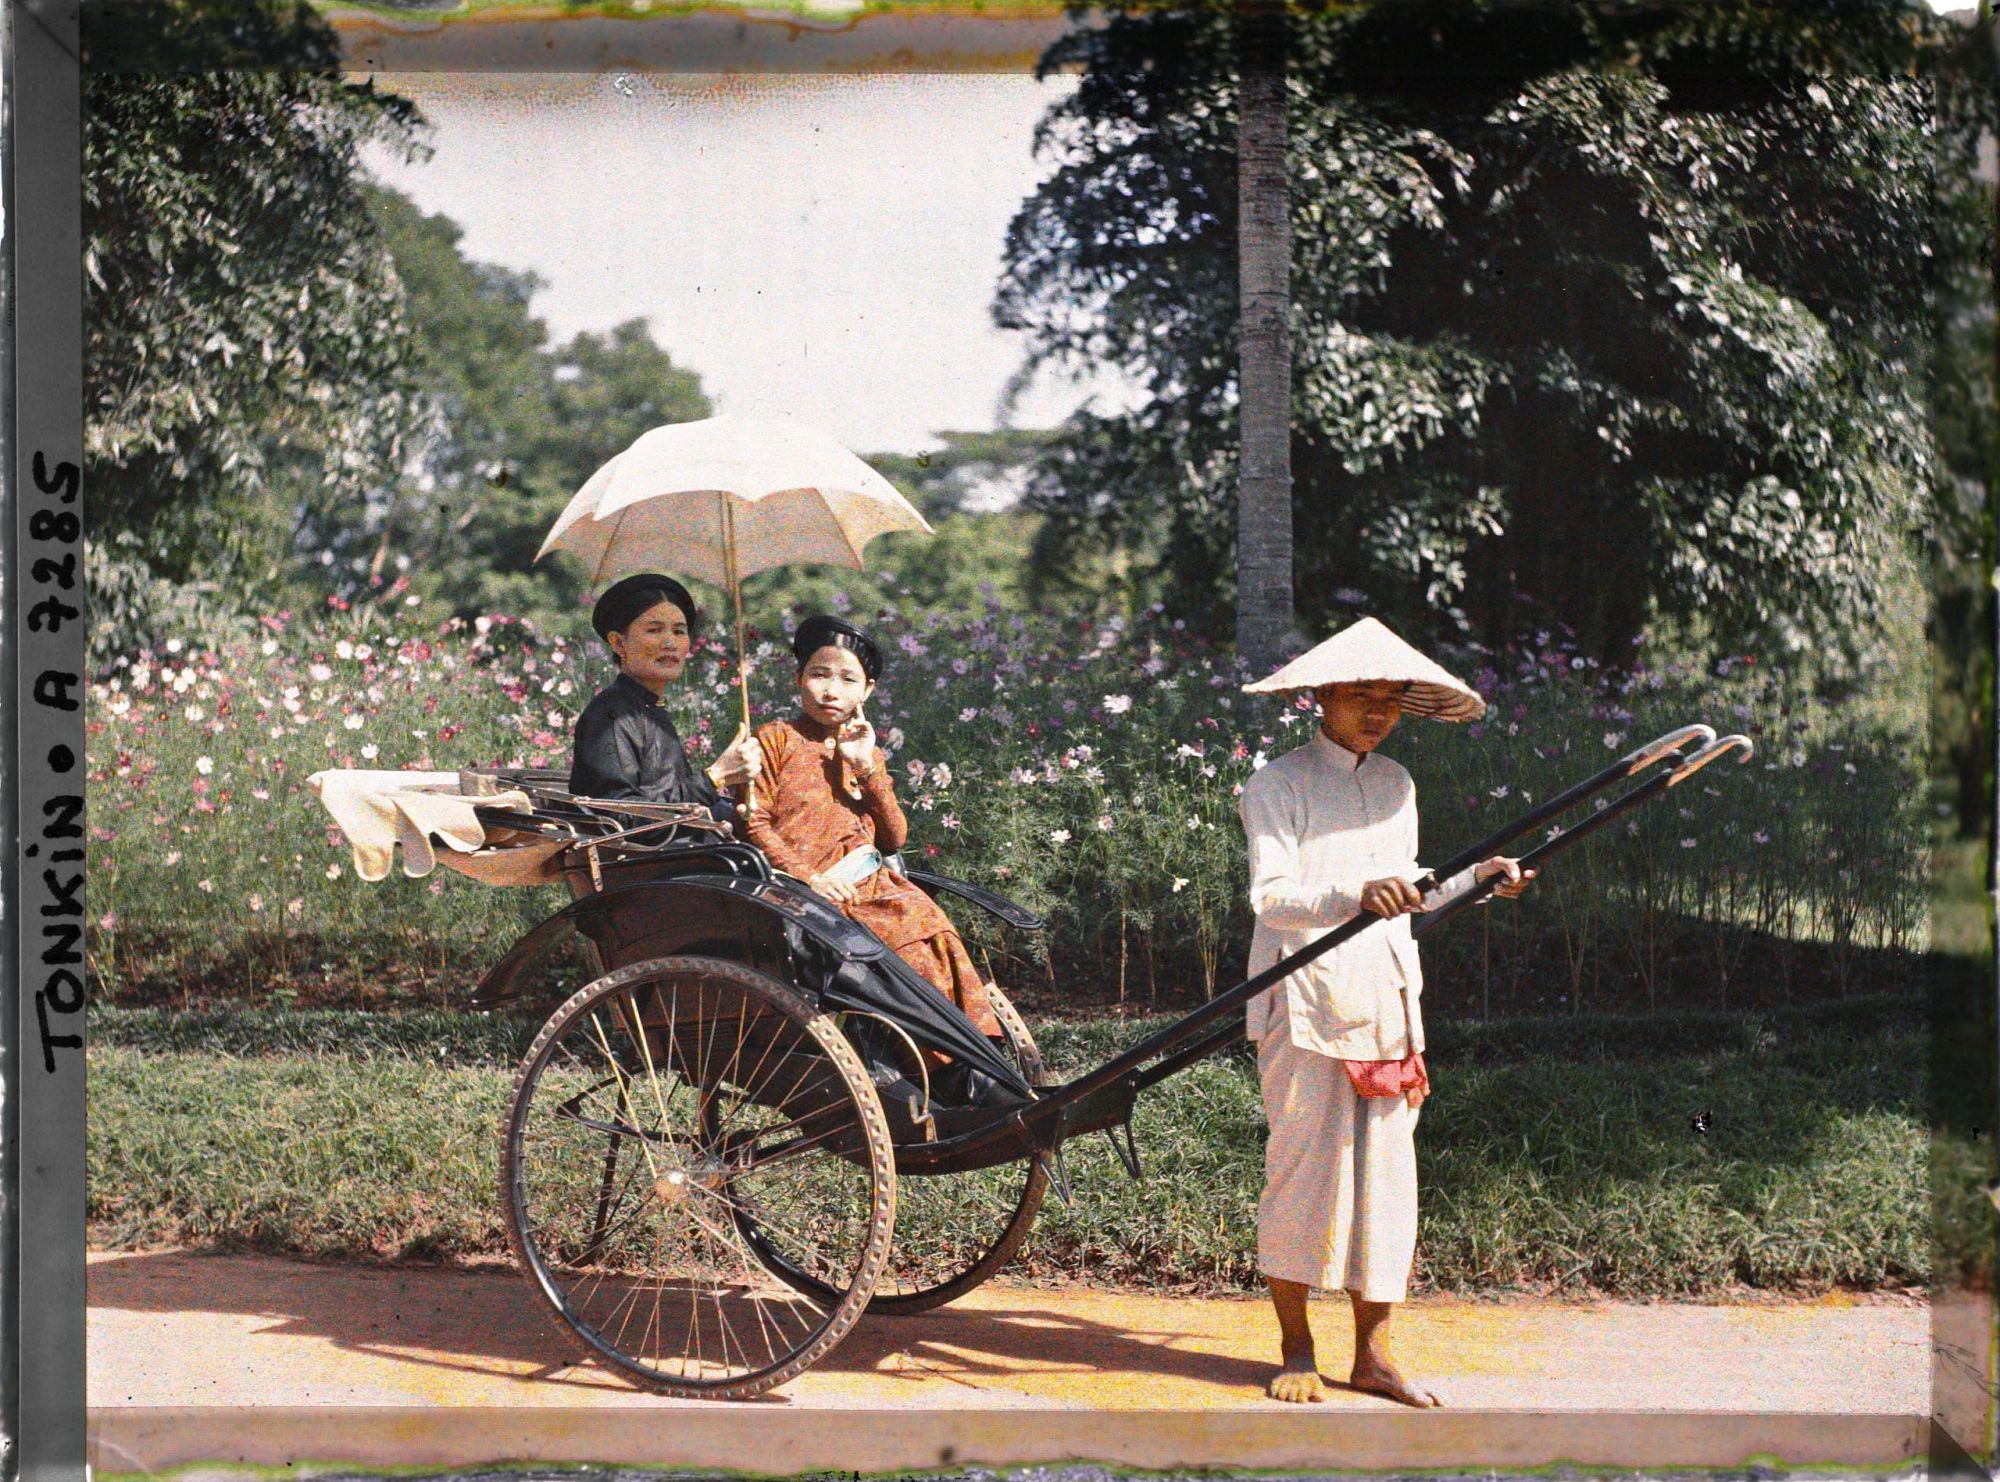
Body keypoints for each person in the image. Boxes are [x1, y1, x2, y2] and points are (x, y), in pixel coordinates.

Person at [1237, 617, 1534, 1409]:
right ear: (1321, 697)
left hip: (1386, 997)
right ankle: (1297, 1347)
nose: (1375, 712)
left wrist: (1478, 879)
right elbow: (1271, 897)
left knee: (1387, 1185)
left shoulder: (1398, 784)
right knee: (1302, 1175)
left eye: (1389, 700)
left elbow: (1411, 890)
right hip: (1302, 999)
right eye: (1359, 695)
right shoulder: (1278, 784)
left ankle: (1374, 1354)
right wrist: (1351, 895)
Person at [741, 613, 1002, 1040]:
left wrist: (866, 767)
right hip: (808, 895)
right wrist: (811, 879)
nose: (830, 690)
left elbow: (894, 838)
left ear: (868, 691)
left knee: (936, 935)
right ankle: (936, 1064)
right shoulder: (776, 739)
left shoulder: (864, 749)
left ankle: (972, 1060)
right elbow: (754, 823)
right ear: (798, 678)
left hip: (875, 886)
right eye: (818, 674)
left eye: (847, 680)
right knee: (906, 948)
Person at [569, 572, 761, 817]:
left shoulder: (649, 708)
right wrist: (715, 777)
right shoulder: (611, 716)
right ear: (618, 643)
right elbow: (620, 818)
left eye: (679, 632)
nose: (669, 642)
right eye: (654, 630)